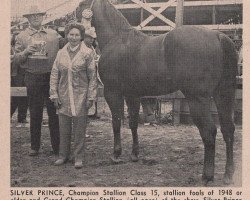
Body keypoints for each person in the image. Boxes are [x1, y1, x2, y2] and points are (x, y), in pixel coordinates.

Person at [14, 5, 61, 156]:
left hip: (51, 77)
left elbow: (67, 46)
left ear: (43, 17)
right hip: (32, 76)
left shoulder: (53, 34)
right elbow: (17, 59)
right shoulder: (21, 36)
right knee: (35, 112)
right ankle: (35, 146)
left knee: (54, 113)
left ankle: (57, 147)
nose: (36, 18)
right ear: (27, 18)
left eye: (38, 15)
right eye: (32, 16)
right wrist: (26, 52)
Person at [50, 23, 97, 169]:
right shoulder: (60, 53)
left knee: (79, 128)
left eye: (77, 35)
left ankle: (78, 157)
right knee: (63, 127)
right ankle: (63, 155)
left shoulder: (87, 53)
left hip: (81, 95)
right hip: (63, 94)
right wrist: (54, 94)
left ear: (81, 37)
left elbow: (92, 76)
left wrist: (91, 96)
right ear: (67, 35)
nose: (74, 37)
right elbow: (54, 74)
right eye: (71, 34)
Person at [83, 27, 103, 119]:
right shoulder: (82, 47)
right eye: (90, 38)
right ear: (84, 37)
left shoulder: (91, 47)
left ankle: (94, 111)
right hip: (84, 74)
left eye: (93, 38)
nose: (92, 40)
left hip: (93, 72)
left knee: (93, 92)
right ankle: (86, 112)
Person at [11, 32, 29, 126]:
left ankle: (22, 117)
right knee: (15, 97)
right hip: (15, 75)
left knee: (23, 96)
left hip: (21, 75)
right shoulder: (11, 50)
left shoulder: (18, 51)